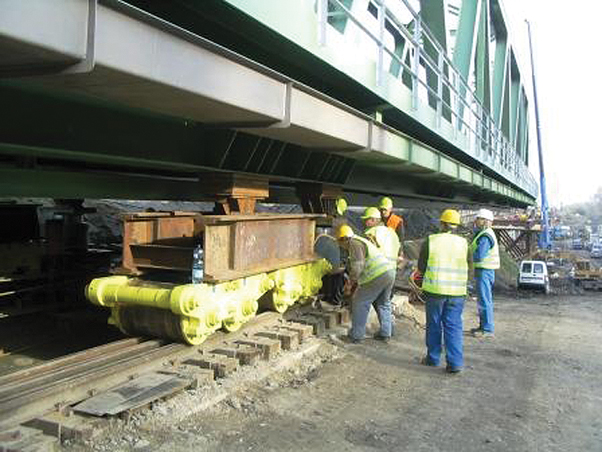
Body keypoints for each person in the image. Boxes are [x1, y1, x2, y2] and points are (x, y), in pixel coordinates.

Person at [416, 209, 469, 373]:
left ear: (442, 223)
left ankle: (433, 358)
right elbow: (470, 266)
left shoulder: (431, 241)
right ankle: (455, 363)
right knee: (453, 326)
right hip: (457, 292)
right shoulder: (464, 243)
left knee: (434, 325)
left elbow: (421, 267)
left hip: (435, 291)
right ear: (457, 225)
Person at [337, 224, 396, 343]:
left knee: (360, 302)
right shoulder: (361, 240)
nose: (342, 247)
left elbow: (358, 266)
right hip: (389, 272)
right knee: (383, 303)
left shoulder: (354, 243)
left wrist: (350, 284)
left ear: (344, 239)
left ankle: (356, 335)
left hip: (377, 275)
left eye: (340, 243)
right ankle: (386, 332)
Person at [470, 208, 500, 338]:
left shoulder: (485, 236)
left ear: (485, 221)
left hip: (484, 270)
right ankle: (483, 326)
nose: (476, 222)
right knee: (483, 299)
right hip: (485, 270)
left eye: (478, 219)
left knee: (484, 300)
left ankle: (487, 329)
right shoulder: (485, 234)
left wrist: (467, 257)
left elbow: (479, 255)